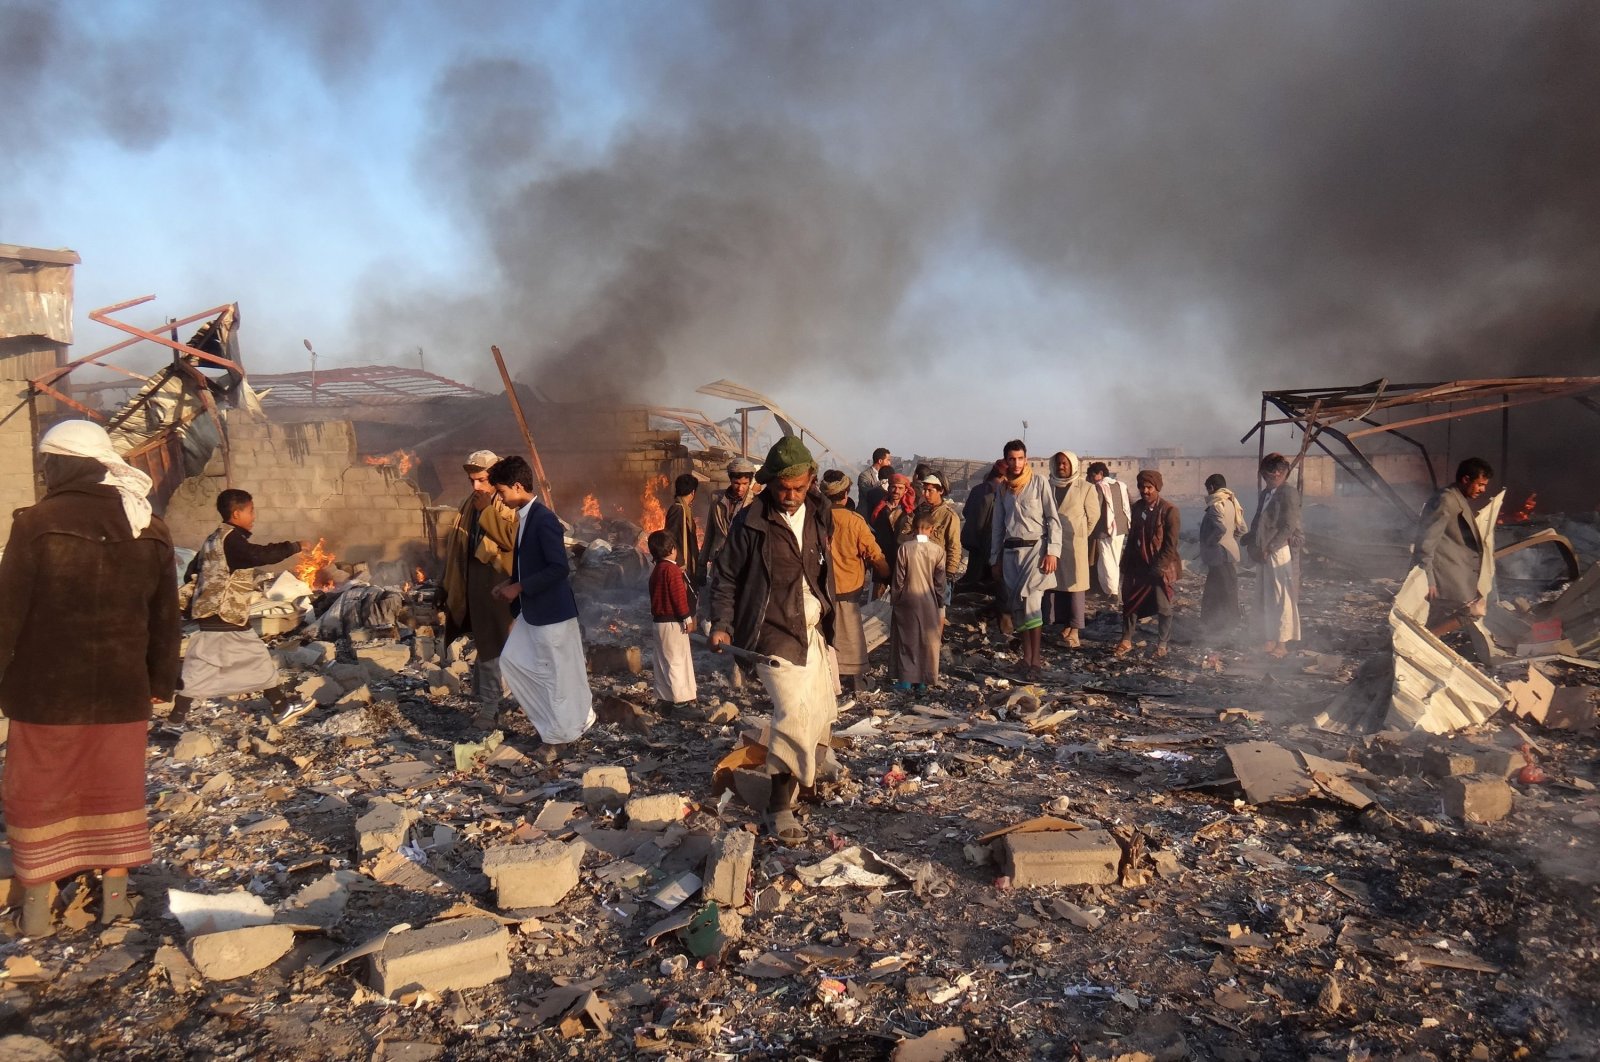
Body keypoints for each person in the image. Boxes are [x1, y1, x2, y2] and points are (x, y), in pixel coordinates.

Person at [0, 421, 180, 935]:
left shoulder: (36, 523)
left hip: (46, 688)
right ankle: (115, 901)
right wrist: (159, 681)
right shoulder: (149, 525)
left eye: (46, 463)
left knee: (38, 788)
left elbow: (7, 612)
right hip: (122, 688)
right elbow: (166, 616)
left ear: (60, 465)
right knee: (114, 788)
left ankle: (36, 909)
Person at [709, 436, 837, 844]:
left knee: (820, 709)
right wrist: (722, 623)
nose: (791, 496)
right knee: (794, 712)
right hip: (770, 631)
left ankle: (806, 780)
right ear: (769, 483)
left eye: (799, 488)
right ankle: (778, 804)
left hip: (812, 629)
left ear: (810, 481)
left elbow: (821, 568)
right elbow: (726, 576)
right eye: (784, 488)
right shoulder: (751, 522)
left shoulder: (820, 511)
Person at [172, 489, 311, 727]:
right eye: (251, 511)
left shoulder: (213, 539)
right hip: (225, 614)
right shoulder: (231, 541)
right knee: (256, 657)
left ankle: (174, 720)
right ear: (236, 513)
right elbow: (258, 555)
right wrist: (294, 546)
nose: (254, 516)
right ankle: (282, 706)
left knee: (201, 666)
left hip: (213, 614)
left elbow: (191, 572)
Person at [488, 456, 595, 762]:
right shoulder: (525, 516)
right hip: (533, 611)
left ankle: (557, 738)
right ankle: (558, 724)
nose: (500, 498)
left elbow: (559, 568)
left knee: (555, 676)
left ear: (518, 486)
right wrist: (510, 581)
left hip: (551, 613)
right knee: (513, 662)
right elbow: (531, 564)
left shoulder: (543, 518)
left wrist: (519, 587)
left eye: (502, 491)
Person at [439, 449, 519, 727]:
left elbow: (510, 540)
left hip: (501, 588)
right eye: (472, 481)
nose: (476, 486)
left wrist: (486, 511)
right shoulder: (467, 504)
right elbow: (458, 549)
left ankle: (492, 709)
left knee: (498, 649)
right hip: (475, 588)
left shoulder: (506, 505)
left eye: (482, 480)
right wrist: (446, 585)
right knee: (487, 647)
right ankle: (493, 704)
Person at [989, 440, 1061, 677]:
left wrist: (1053, 551)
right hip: (1011, 553)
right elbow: (998, 525)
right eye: (1012, 459)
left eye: (1020, 458)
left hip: (1036, 552)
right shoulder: (1003, 489)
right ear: (1006, 461)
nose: (1017, 463)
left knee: (1032, 605)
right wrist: (995, 559)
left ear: (1026, 459)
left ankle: (1036, 662)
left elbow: (1053, 519)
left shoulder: (1039, 483)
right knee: (1018, 607)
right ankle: (1026, 658)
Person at [821, 470, 887, 694]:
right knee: (851, 637)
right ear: (846, 493)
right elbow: (874, 554)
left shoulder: (815, 518)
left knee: (824, 635)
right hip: (848, 588)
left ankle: (827, 681)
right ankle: (856, 681)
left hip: (820, 589)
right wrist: (887, 574)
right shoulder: (855, 521)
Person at [1413, 457, 1495, 636]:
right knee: (1473, 612)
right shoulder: (1446, 500)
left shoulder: (1457, 498)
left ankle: (1422, 643)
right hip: (1443, 575)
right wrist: (1428, 578)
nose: (1483, 489)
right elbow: (1426, 541)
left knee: (1433, 618)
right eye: (1480, 484)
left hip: (1454, 573)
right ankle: (1426, 643)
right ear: (1466, 479)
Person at [1115, 470, 1182, 658]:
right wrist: (1125, 562)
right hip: (1138, 566)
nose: (1145, 491)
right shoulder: (1137, 508)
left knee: (1164, 607)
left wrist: (1159, 567)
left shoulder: (1169, 511)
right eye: (1142, 487)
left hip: (1159, 567)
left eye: (1149, 487)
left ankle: (1162, 644)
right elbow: (1133, 537)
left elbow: (1171, 545)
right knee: (1130, 603)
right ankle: (1126, 640)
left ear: (1157, 488)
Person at [1242, 453, 1303, 657]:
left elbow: (1288, 526)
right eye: (1269, 472)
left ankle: (1282, 644)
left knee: (1281, 598)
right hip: (1263, 552)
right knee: (1265, 597)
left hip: (1278, 552)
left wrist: (1271, 547)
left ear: (1282, 473)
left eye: (1277, 471)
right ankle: (1269, 640)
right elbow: (1258, 520)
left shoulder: (1288, 493)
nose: (1273, 475)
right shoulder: (1266, 494)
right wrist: (1251, 541)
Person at [1045, 451, 1103, 648]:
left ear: (1073, 466)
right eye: (1059, 463)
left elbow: (1093, 516)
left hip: (1074, 544)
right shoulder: (1048, 485)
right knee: (1055, 585)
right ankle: (1063, 625)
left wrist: (1079, 533)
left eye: (1065, 463)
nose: (1061, 467)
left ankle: (1075, 629)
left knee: (1075, 588)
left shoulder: (1085, 487)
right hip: (1051, 543)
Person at [892, 509, 946, 691]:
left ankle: (905, 681)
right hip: (929, 601)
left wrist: (896, 599)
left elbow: (898, 579)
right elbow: (940, 582)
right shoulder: (938, 551)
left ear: (914, 528)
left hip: (907, 599)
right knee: (926, 641)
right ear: (931, 529)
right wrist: (941, 603)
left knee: (907, 640)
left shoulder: (905, 549)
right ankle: (922, 682)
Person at [646, 530, 697, 713]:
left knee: (662, 661)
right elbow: (678, 597)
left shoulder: (657, 570)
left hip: (658, 623)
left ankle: (664, 697)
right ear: (673, 549)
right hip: (672, 623)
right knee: (676, 661)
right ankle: (680, 701)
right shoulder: (672, 570)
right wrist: (687, 617)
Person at [896, 472, 962, 603]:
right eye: (924, 490)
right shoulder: (919, 511)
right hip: (917, 570)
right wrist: (915, 515)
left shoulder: (949, 516)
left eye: (930, 491)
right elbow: (904, 535)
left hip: (937, 571)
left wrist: (949, 573)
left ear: (941, 491)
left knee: (938, 611)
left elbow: (954, 547)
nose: (925, 494)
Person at [1199, 473, 1248, 635]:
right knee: (1228, 588)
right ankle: (1225, 623)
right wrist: (1230, 540)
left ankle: (1217, 624)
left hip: (1217, 554)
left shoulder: (1215, 504)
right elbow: (1242, 529)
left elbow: (1220, 529)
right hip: (1230, 554)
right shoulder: (1232, 502)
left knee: (1217, 592)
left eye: (1208, 489)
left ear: (1212, 488)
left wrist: (1211, 542)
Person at [698, 457, 758, 585]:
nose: (740, 488)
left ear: (749, 482)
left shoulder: (756, 502)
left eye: (745, 484)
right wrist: (701, 565)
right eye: (736, 483)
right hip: (719, 562)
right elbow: (710, 533)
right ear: (730, 480)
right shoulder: (717, 498)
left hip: (744, 565)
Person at [1087, 462, 1131, 603]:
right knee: (1112, 559)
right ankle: (1110, 590)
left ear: (1100, 473)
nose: (1092, 479)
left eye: (1093, 475)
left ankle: (1112, 592)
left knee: (1107, 560)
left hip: (1105, 530)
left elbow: (1095, 509)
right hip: (1121, 528)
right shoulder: (1120, 485)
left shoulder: (1099, 487)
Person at [958, 461, 1004, 590]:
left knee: (973, 574)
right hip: (987, 543)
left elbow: (965, 512)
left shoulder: (977, 489)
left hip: (972, 540)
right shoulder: (997, 493)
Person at [869, 472, 915, 591]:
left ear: (905, 490)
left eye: (900, 488)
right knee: (877, 600)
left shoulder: (910, 512)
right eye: (893, 487)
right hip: (882, 558)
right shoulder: (879, 509)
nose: (896, 491)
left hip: (902, 560)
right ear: (888, 488)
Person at [664, 473, 703, 588]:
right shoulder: (678, 509)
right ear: (693, 492)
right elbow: (670, 538)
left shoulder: (684, 509)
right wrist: (680, 562)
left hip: (688, 565)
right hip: (682, 567)